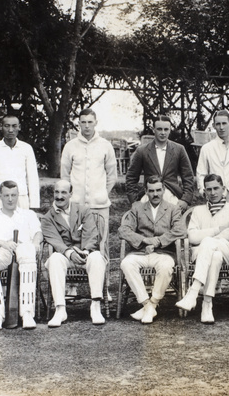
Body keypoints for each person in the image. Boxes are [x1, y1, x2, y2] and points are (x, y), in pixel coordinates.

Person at [176, 174, 229, 324]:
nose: (213, 193)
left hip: (227, 250)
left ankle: (193, 292)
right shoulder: (198, 211)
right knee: (215, 257)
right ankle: (207, 304)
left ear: (223, 189)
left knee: (208, 242)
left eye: (216, 188)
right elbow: (192, 237)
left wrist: (209, 238)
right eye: (209, 189)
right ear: (204, 192)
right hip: (202, 253)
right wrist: (217, 230)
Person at [119, 176, 185, 324]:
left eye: (158, 190)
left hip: (163, 252)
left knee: (166, 266)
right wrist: (144, 240)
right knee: (126, 264)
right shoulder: (137, 207)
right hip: (140, 252)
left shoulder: (173, 209)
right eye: (151, 191)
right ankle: (146, 304)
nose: (155, 194)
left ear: (163, 190)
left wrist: (158, 241)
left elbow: (180, 230)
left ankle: (152, 303)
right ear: (146, 192)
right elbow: (123, 230)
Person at [41, 180, 107, 327]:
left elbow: (91, 234)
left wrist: (85, 251)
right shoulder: (47, 218)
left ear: (71, 194)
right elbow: (55, 241)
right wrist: (70, 253)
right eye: (56, 192)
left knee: (97, 257)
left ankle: (95, 306)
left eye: (63, 192)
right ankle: (60, 309)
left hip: (85, 254)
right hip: (65, 255)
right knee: (54, 259)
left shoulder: (83, 211)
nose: (59, 196)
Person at [0, 180, 42, 331]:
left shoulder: (28, 214)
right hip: (2, 250)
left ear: (18, 195)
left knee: (28, 251)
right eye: (6, 195)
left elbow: (37, 233)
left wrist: (35, 244)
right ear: (0, 196)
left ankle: (27, 313)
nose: (10, 199)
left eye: (13, 195)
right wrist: (2, 242)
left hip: (23, 249)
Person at [61, 108, 117, 245]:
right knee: (77, 241)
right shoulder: (70, 146)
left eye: (90, 122)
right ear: (78, 123)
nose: (87, 126)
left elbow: (112, 175)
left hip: (100, 205)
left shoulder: (105, 145)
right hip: (76, 205)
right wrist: (71, 197)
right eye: (83, 122)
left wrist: (102, 193)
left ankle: (104, 266)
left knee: (101, 242)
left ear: (96, 123)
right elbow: (64, 176)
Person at [125, 115, 195, 213]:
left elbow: (188, 177)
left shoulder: (179, 149)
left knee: (174, 226)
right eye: (159, 129)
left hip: (172, 196)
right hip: (149, 196)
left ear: (170, 130)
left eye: (166, 129)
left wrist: (185, 200)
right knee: (146, 226)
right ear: (154, 129)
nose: (163, 133)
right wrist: (134, 201)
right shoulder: (142, 150)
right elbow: (131, 177)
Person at [0, 114, 40, 213]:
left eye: (14, 126)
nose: (11, 130)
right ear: (1, 127)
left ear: (19, 127)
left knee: (23, 227)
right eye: (7, 126)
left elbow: (33, 178)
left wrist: (34, 205)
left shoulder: (26, 148)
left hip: (21, 198)